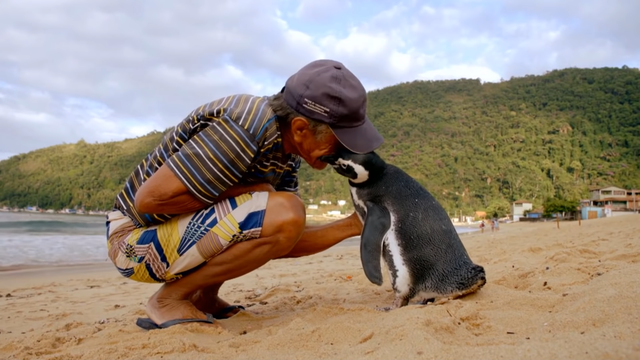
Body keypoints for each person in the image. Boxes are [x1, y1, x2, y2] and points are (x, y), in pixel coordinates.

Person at [105, 59, 384, 330]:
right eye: (342, 141)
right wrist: (250, 191)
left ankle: (205, 297)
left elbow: (281, 236)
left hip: (167, 239)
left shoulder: (286, 153)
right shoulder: (245, 125)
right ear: (300, 128)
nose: (346, 151)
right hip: (132, 243)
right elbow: (148, 201)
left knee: (286, 211)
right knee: (284, 208)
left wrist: (353, 224)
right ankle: (169, 299)